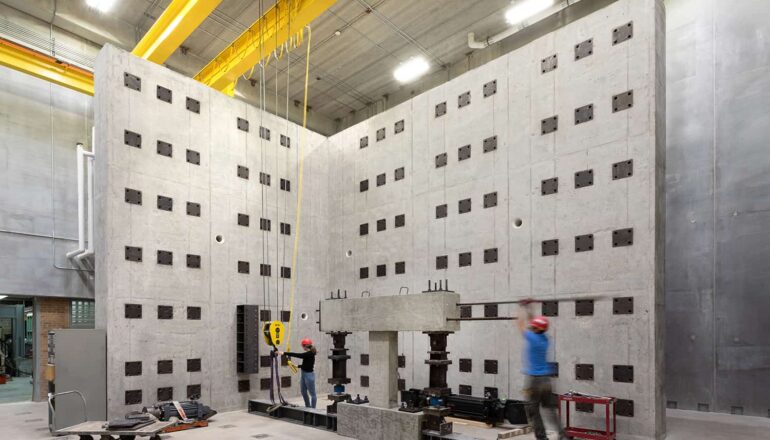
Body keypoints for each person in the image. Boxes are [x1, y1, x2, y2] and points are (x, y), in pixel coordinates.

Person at [517, 300, 566, 440]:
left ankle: (542, 437)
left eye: (534, 326)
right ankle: (562, 435)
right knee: (550, 410)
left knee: (533, 410)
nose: (531, 327)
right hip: (546, 380)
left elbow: (520, 325)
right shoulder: (545, 338)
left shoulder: (532, 338)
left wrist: (521, 308)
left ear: (537, 329)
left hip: (534, 381)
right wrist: (528, 307)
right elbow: (534, 322)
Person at [280, 338, 317, 408]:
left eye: (302, 346)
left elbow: (298, 355)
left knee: (313, 394)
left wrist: (284, 353)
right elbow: (307, 365)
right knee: (303, 392)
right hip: (304, 374)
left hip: (309, 376)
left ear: (305, 346)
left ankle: (313, 410)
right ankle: (308, 407)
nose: (302, 348)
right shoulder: (309, 354)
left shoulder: (309, 353)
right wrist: (297, 366)